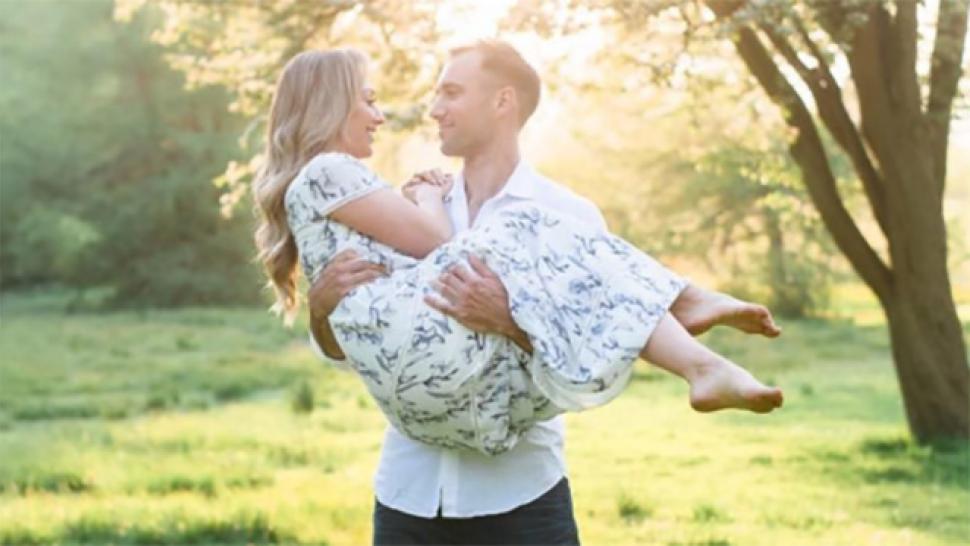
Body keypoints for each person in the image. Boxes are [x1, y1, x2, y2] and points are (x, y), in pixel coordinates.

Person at [254, 43, 782, 545]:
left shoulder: (566, 214)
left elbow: (604, 349)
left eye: (451, 93)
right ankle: (684, 304)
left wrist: (510, 321)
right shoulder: (411, 203)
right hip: (409, 493)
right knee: (524, 229)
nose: (433, 110)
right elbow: (366, 341)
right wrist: (320, 311)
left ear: (502, 101)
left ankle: (689, 326)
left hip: (519, 495)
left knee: (531, 225)